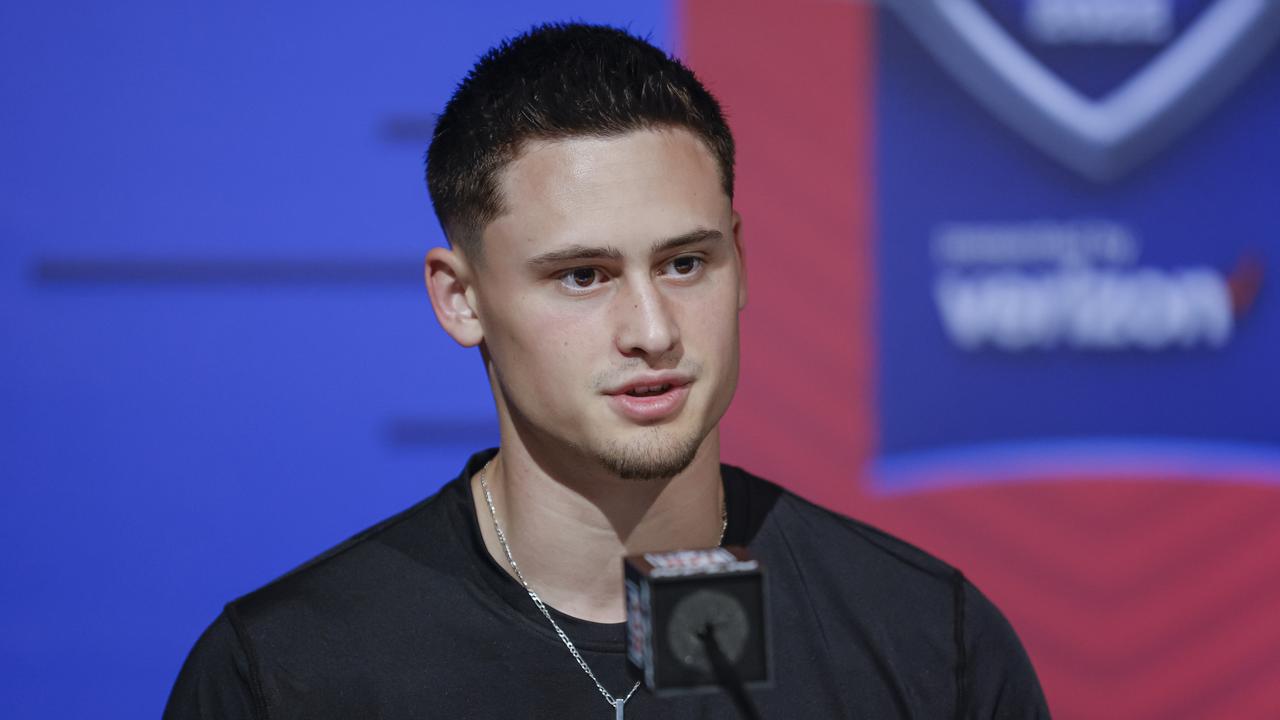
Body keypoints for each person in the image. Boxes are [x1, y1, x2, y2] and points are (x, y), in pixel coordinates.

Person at [164, 23, 1049, 719]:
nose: (654, 331)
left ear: (741, 257)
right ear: (459, 298)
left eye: (685, 263)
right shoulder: (284, 677)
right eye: (582, 277)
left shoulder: (928, 642)